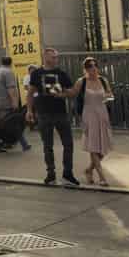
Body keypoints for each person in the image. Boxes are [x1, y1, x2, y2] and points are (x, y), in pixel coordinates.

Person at [26, 48, 80, 186]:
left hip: (60, 113)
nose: (57, 59)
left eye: (57, 56)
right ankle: (51, 173)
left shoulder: (61, 74)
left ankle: (68, 173)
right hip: (43, 114)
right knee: (47, 145)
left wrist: (63, 94)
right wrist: (29, 110)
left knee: (68, 144)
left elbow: (72, 92)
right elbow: (30, 93)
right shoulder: (37, 74)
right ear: (46, 58)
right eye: (54, 57)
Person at [62, 57, 113, 186]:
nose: (93, 68)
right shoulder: (82, 81)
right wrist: (59, 92)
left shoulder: (103, 80)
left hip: (102, 114)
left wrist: (108, 97)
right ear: (85, 69)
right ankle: (102, 177)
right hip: (88, 115)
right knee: (93, 147)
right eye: (90, 66)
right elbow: (72, 93)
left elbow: (110, 94)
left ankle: (89, 170)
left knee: (103, 149)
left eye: (95, 65)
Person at [0, 56, 31, 152]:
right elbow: (11, 89)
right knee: (14, 124)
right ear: (11, 63)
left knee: (1, 124)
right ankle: (24, 144)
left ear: (2, 62)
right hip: (6, 103)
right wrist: (14, 102)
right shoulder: (8, 72)